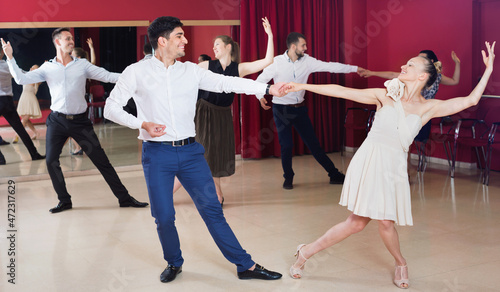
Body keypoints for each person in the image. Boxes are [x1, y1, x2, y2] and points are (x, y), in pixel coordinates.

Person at [282, 41, 495, 289]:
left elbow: (470, 101)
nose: (403, 66)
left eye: (410, 65)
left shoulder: (428, 108)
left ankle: (309, 252)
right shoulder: (385, 95)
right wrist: (301, 85)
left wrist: (488, 70)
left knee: (369, 222)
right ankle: (392, 262)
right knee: (366, 222)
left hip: (393, 167)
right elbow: (339, 90)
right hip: (370, 160)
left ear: (422, 76)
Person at [104, 16, 283, 283]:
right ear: (162, 41)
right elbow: (111, 107)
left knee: (212, 211)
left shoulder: (191, 71)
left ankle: (245, 265)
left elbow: (227, 83)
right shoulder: (136, 72)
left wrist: (267, 87)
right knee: (163, 217)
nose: (185, 40)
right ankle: (174, 262)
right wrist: (141, 123)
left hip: (191, 153)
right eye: (179, 36)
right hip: (157, 155)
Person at [1, 28, 148, 213]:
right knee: (51, 161)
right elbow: (21, 79)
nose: (72, 41)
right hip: (57, 122)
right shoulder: (48, 67)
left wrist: (137, 78)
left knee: (101, 161)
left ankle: (124, 198)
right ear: (57, 42)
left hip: (80, 123)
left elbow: (108, 76)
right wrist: (10, 57)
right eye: (67, 38)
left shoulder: (82, 65)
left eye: (71, 38)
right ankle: (64, 200)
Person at [173, 17, 274, 205]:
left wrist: (270, 36)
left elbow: (268, 61)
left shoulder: (239, 68)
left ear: (228, 47)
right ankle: (213, 194)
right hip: (203, 113)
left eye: (217, 44)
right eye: (213, 45)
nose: (214, 48)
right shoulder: (206, 66)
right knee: (203, 154)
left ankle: (214, 193)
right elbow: (183, 75)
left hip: (223, 115)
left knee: (216, 154)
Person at [255, 32, 364, 190]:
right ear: (293, 47)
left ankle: (334, 175)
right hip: (281, 110)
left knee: (314, 145)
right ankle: (288, 177)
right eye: (303, 45)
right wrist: (260, 96)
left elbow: (330, 66)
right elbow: (260, 81)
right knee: (286, 145)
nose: (306, 48)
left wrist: (355, 68)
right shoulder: (276, 62)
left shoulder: (308, 61)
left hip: (299, 109)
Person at [361, 50, 461, 144]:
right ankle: (405, 161)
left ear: (431, 61)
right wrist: (372, 73)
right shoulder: (412, 75)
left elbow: (454, 81)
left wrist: (457, 63)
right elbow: (392, 74)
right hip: (409, 110)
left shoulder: (437, 77)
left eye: (422, 58)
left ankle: (419, 162)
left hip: (424, 112)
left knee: (420, 141)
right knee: (403, 140)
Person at [0, 49, 45, 164]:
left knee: (22, 126)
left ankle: (1, 158)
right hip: (7, 102)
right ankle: (34, 154)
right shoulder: (8, 65)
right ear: (2, 52)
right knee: (20, 129)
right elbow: (23, 74)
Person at [69, 38, 96, 155]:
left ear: (78, 58)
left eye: (72, 54)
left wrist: (91, 48)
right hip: (75, 100)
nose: (70, 56)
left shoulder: (83, 68)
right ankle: (79, 147)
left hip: (78, 100)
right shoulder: (72, 68)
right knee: (71, 127)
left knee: (71, 127)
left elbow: (93, 62)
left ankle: (79, 147)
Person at [13, 64, 42, 143]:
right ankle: (36, 132)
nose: (32, 68)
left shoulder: (37, 79)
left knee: (25, 118)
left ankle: (16, 135)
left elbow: (42, 79)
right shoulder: (26, 76)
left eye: (35, 68)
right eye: (32, 67)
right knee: (25, 118)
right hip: (23, 97)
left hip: (31, 99)